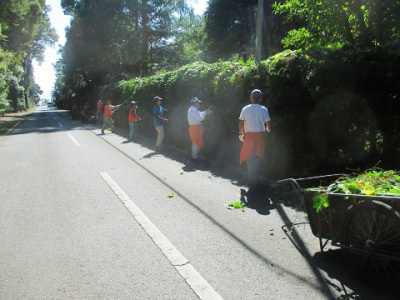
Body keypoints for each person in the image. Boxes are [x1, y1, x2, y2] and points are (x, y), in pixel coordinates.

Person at [239, 89, 271, 187]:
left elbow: (241, 123)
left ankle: (252, 180)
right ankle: (255, 178)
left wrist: (241, 134)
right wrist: (268, 129)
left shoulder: (245, 109)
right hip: (260, 136)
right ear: (260, 99)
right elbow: (268, 123)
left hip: (249, 136)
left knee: (249, 157)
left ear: (251, 98)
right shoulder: (264, 109)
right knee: (258, 156)